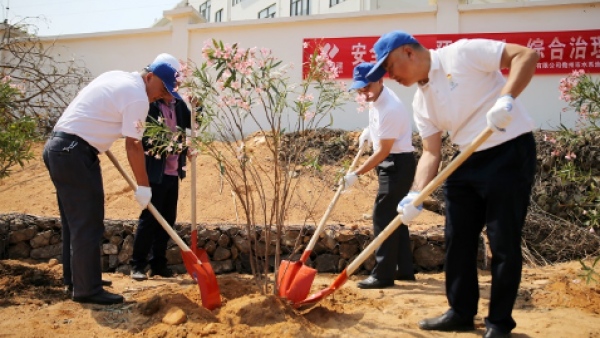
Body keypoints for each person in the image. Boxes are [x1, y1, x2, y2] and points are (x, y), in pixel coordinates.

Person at [367, 31, 539, 338]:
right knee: (457, 238)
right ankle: (460, 312)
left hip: (508, 148)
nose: (390, 76)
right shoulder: (421, 102)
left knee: (503, 241)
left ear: (408, 52)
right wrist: (414, 193)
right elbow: (432, 152)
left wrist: (506, 98)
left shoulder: (462, 54)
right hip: (466, 157)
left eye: (390, 67)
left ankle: (499, 323)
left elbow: (525, 55)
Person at [43, 59, 181, 305]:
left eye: (167, 93)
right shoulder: (138, 96)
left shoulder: (115, 76)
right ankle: (87, 289)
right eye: (162, 89)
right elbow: (134, 144)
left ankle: (79, 280)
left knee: (75, 223)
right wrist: (143, 186)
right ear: (149, 77)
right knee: (88, 223)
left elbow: (88, 104)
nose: (161, 96)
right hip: (74, 151)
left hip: (61, 147)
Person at [343, 62, 416, 289]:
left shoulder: (390, 108)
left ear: (380, 80)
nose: (363, 92)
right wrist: (370, 132)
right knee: (396, 219)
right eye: (359, 88)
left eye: (367, 87)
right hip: (392, 161)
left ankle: (383, 275)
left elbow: (383, 151)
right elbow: (379, 133)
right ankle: (404, 269)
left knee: (382, 217)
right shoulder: (377, 97)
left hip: (396, 163)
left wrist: (356, 173)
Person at [130, 54, 192, 281]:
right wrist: (166, 145)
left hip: (173, 172)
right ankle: (137, 265)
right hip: (154, 171)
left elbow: (190, 129)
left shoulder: (181, 106)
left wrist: (197, 111)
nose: (169, 91)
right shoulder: (149, 105)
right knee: (149, 219)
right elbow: (143, 139)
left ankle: (158, 264)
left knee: (168, 219)